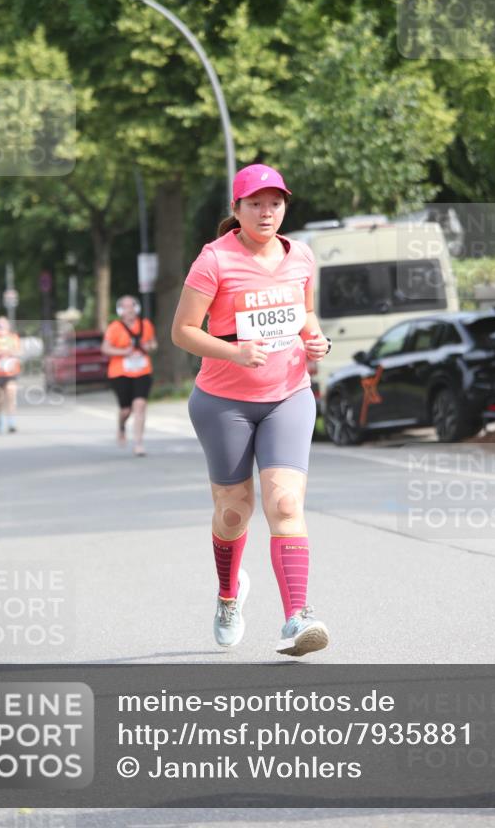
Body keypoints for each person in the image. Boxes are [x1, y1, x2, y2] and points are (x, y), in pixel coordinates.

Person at [171, 163, 332, 657]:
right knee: (234, 512)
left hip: (288, 394)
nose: (267, 212)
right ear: (236, 210)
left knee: (285, 504)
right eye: (256, 203)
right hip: (224, 402)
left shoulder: (300, 255)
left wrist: (315, 338)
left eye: (276, 202)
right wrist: (235, 351)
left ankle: (297, 618)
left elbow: (304, 312)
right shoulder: (214, 260)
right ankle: (227, 595)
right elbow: (183, 332)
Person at [102, 296, 157, 457]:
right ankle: (121, 426)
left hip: (142, 371)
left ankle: (138, 443)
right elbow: (105, 348)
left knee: (140, 405)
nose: (129, 310)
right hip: (120, 372)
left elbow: (154, 343)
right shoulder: (114, 327)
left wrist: (150, 346)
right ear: (120, 311)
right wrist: (123, 352)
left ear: (137, 308)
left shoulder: (145, 325)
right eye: (125, 307)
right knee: (126, 410)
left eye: (132, 307)